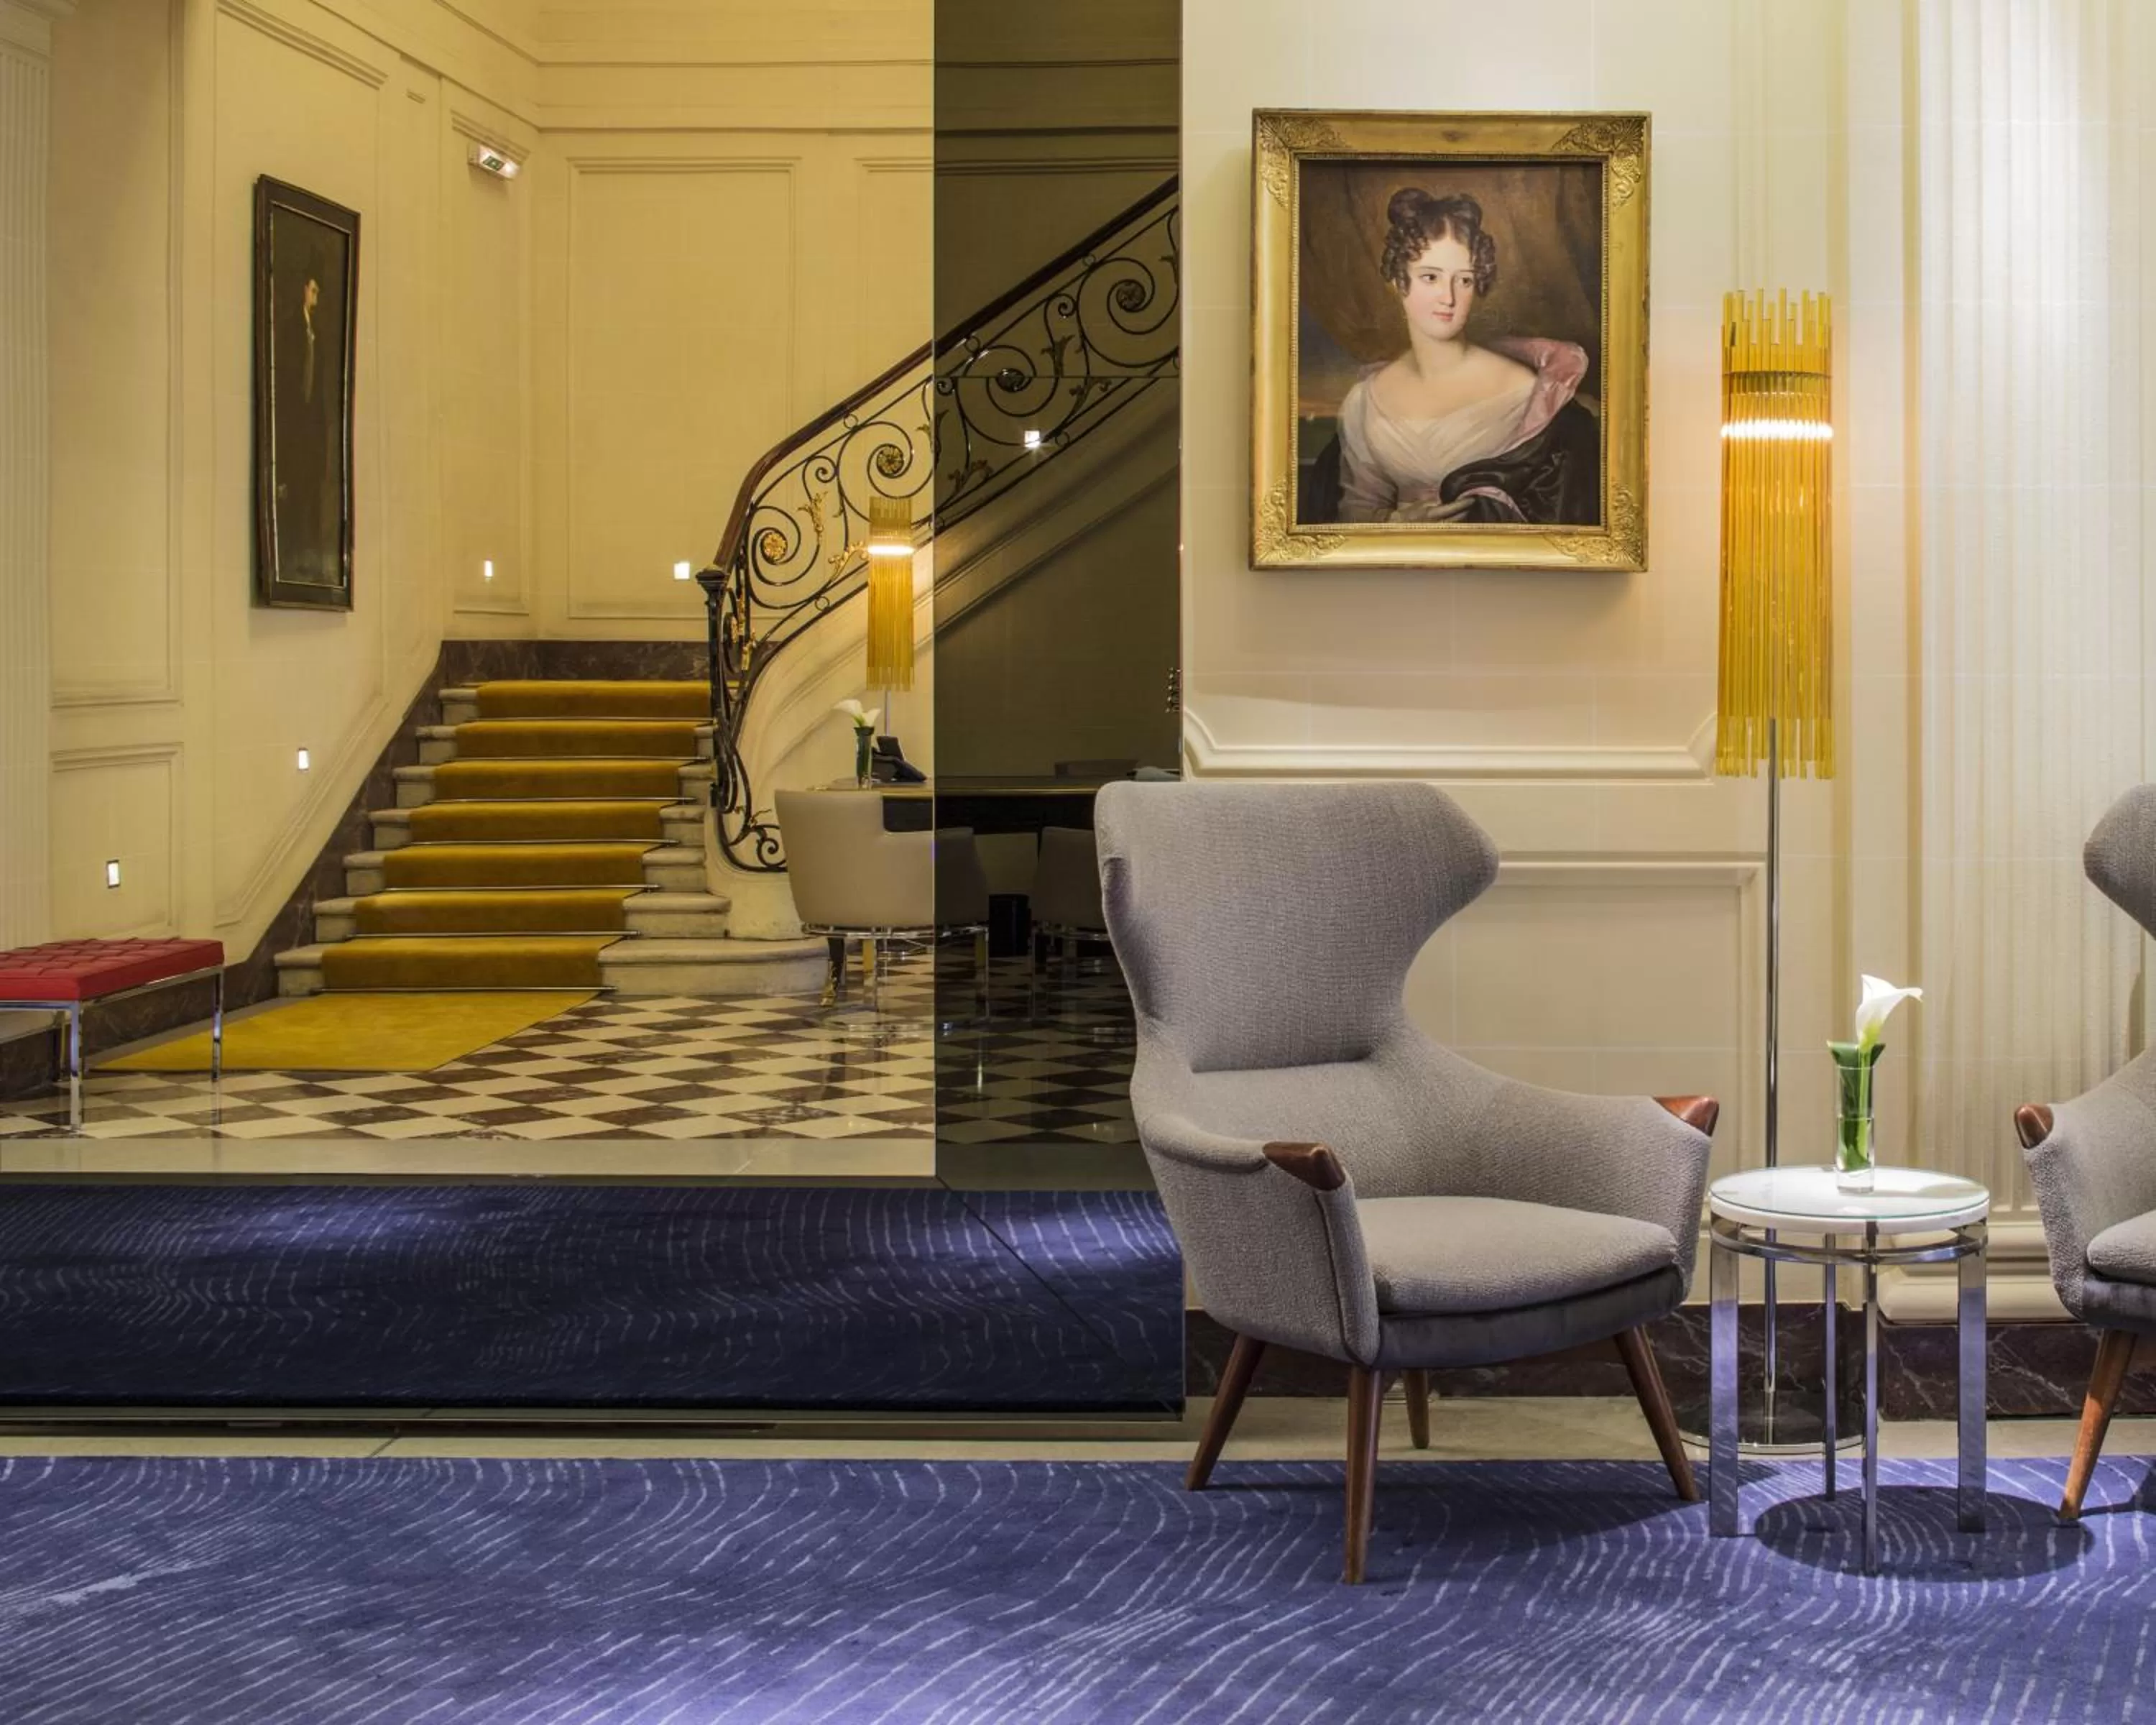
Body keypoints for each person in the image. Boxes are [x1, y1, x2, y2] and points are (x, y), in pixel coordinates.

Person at [1327, 189, 1598, 526]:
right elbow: (1354, 516)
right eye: (1430, 277)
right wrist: (1397, 523)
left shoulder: (1530, 394)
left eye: (1464, 280)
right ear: (1399, 282)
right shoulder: (1364, 402)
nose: (1449, 298)